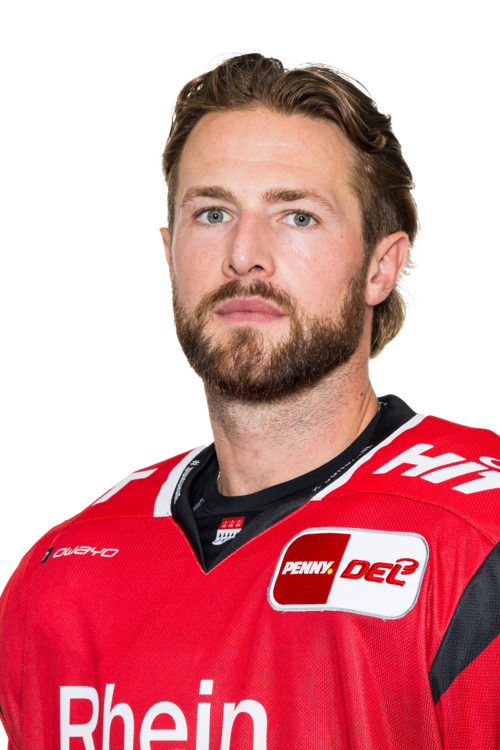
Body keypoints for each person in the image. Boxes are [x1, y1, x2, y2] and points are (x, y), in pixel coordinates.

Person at [1, 49, 499, 750]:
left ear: (380, 266)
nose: (243, 255)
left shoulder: (480, 538)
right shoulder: (63, 572)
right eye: (212, 213)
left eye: (297, 216)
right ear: (169, 251)